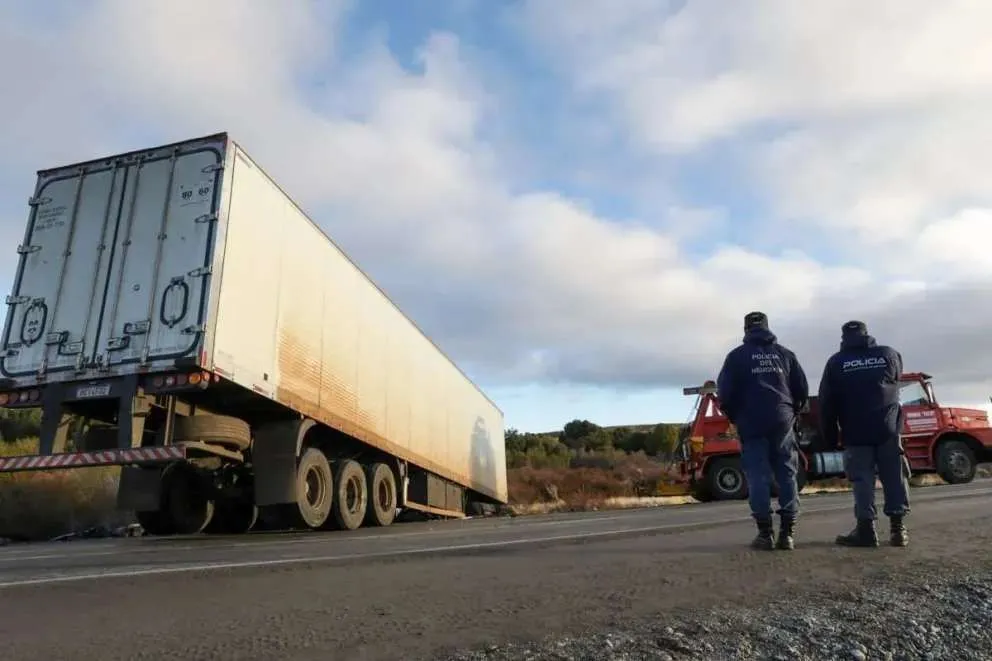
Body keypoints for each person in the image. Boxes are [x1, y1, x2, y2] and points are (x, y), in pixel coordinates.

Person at [717, 311, 809, 551]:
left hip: (751, 422)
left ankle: (765, 533)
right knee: (787, 473)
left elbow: (724, 394)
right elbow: (801, 390)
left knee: (757, 476)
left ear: (746, 329)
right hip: (782, 420)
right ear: (768, 327)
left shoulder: (736, 357)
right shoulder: (786, 355)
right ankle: (787, 533)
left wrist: (735, 417)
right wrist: (791, 413)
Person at [817, 320, 910, 548]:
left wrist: (829, 437)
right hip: (887, 427)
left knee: (862, 479)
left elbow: (826, 403)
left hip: (855, 430)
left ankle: (866, 530)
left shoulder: (836, 363)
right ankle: (898, 530)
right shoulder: (889, 354)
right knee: (894, 476)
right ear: (867, 334)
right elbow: (896, 381)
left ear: (843, 338)